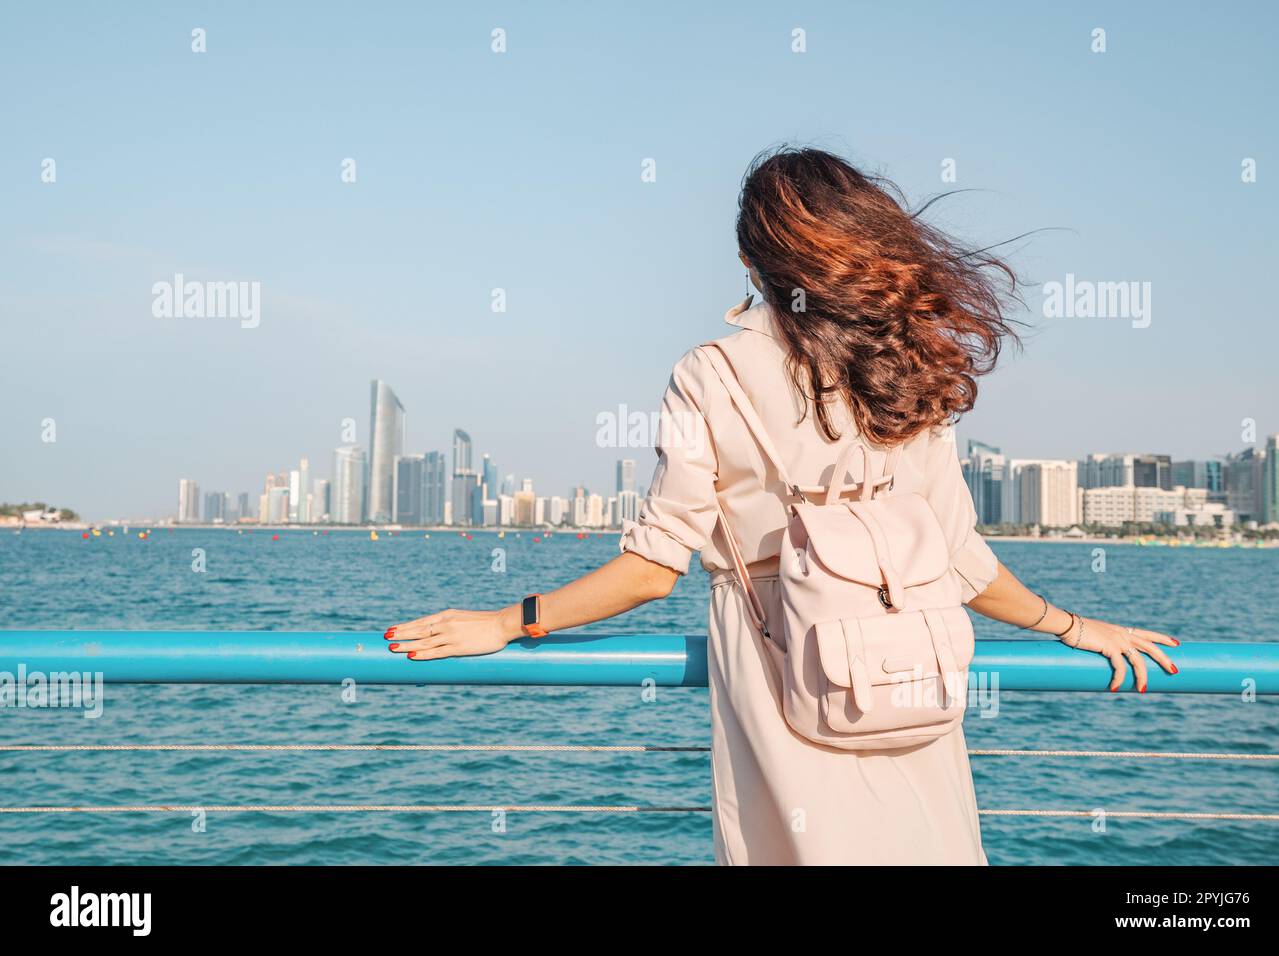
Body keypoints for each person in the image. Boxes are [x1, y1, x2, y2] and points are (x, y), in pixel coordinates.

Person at [385, 147, 1178, 865]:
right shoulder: (910, 371)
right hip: (913, 694)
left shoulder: (715, 373)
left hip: (784, 686)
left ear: (749, 262)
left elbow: (653, 570)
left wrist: (509, 620)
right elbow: (964, 562)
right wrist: (1076, 627)